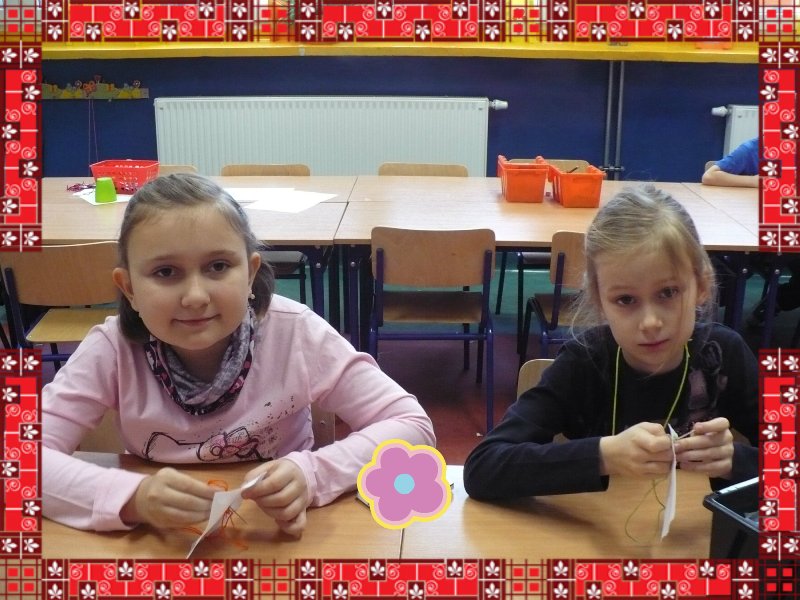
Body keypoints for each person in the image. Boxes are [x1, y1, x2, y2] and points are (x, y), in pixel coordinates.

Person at [42, 173, 435, 535]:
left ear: (249, 273)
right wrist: (132, 498)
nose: (195, 297)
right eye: (165, 272)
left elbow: (412, 426)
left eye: (218, 266)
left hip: (274, 533)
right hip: (160, 539)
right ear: (128, 288)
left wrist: (313, 474)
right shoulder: (112, 349)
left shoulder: (295, 333)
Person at [463, 185, 758, 500]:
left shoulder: (725, 354)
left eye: (668, 292)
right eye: (626, 300)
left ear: (701, 286)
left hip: (696, 526)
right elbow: (482, 468)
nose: (650, 322)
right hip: (599, 527)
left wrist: (734, 461)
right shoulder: (584, 361)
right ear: (599, 302)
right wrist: (603, 455)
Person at [702, 137, 800, 323]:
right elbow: (710, 176)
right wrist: (755, 181)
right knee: (724, 277)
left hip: (790, 235)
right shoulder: (755, 148)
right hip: (752, 236)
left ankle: (776, 303)